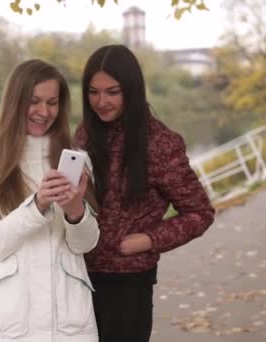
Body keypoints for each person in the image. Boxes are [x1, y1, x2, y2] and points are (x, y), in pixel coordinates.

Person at [75, 44, 215, 342]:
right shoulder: (84, 133)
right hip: (77, 277)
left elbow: (201, 213)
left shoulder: (160, 144)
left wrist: (149, 240)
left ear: (132, 90)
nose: (101, 102)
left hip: (128, 285)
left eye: (112, 92)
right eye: (93, 92)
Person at [0, 59, 100, 342]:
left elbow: (84, 244)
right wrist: (37, 204)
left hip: (68, 321)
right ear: (15, 102)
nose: (44, 112)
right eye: (34, 101)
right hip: (8, 323)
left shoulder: (77, 161)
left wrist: (75, 210)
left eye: (52, 102)